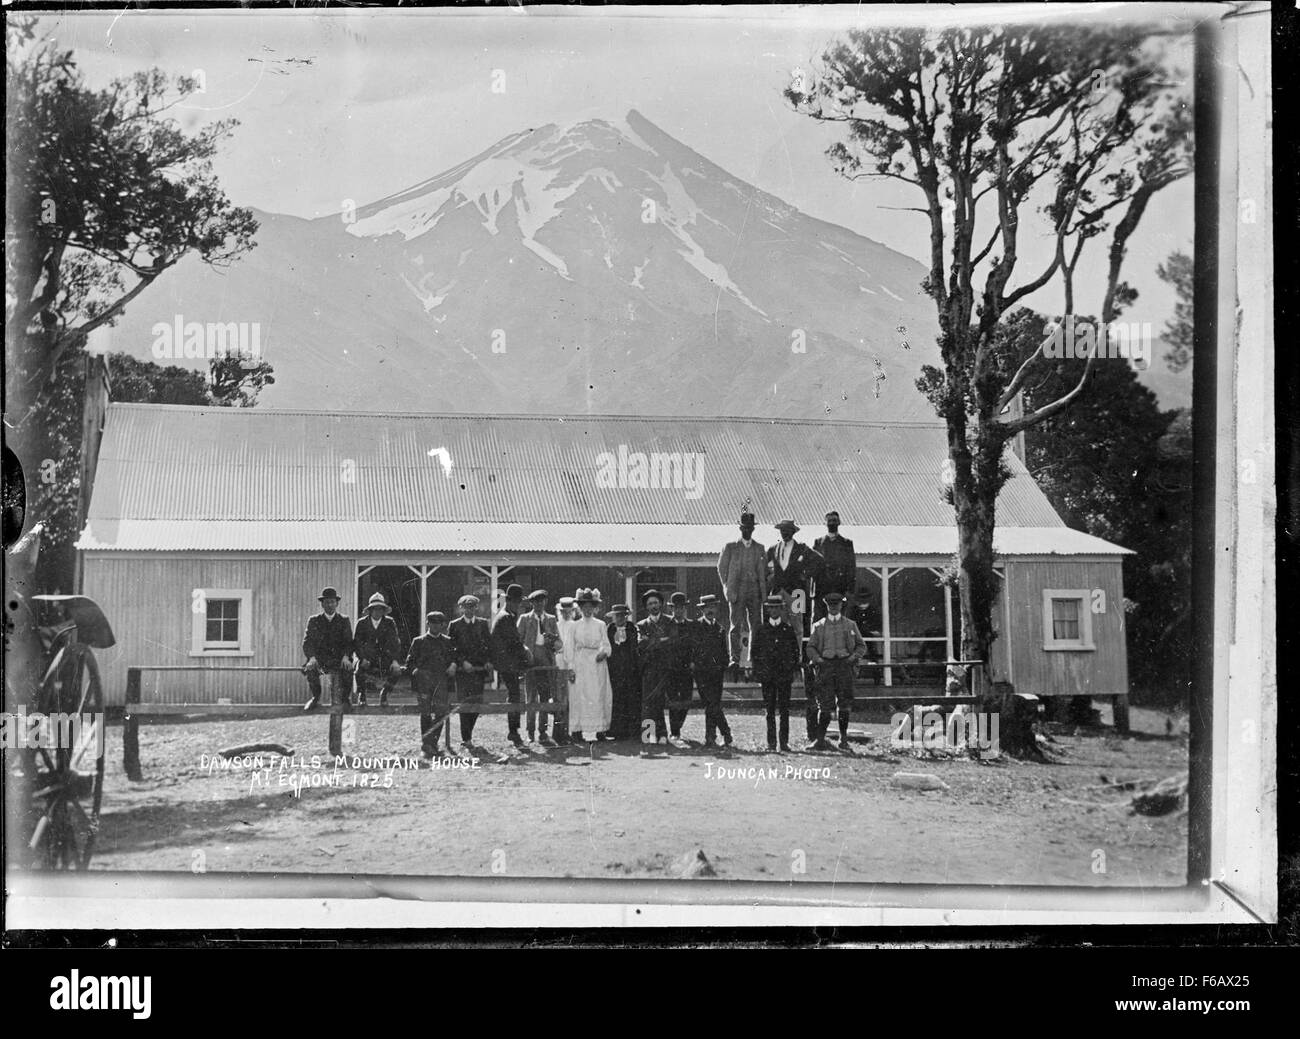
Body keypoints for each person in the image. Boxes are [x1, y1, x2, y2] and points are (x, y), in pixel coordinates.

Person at [806, 592, 866, 752]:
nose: (833, 607)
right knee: (825, 705)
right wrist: (818, 659)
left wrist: (853, 657)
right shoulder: (819, 626)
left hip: (844, 666)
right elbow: (810, 647)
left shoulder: (850, 625)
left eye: (836, 604)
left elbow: (861, 646)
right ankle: (820, 740)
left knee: (844, 704)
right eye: (830, 605)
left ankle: (843, 739)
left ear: (841, 605)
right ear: (826, 606)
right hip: (826, 667)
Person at [562, 588, 614, 746]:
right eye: (584, 606)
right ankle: (577, 731)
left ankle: (600, 730)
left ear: (595, 608)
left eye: (591, 606)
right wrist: (570, 667)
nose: (588, 609)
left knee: (598, 695)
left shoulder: (601, 624)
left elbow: (607, 646)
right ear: (580, 608)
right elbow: (569, 647)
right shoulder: (574, 626)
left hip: (597, 665)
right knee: (579, 696)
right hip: (580, 663)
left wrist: (603, 653)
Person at [717, 511, 766, 678]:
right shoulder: (731, 547)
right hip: (737, 591)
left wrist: (762, 591)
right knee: (735, 625)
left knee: (756, 625)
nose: (748, 530)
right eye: (745, 527)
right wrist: (727, 588)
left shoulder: (759, 548)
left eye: (750, 528)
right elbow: (721, 568)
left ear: (753, 529)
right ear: (740, 528)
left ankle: (754, 658)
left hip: (754, 590)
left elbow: (764, 571)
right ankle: (734, 659)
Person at [404, 611, 458, 757]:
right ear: (427, 624)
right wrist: (416, 671)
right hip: (424, 683)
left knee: (441, 712)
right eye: (432, 623)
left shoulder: (447, 641)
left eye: (438, 624)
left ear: (443, 625)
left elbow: (454, 658)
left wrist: (453, 664)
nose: (435, 626)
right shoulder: (419, 641)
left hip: (441, 682)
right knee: (426, 713)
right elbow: (409, 663)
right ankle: (427, 745)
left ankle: (431, 743)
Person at [751, 594, 801, 752]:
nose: (773, 611)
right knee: (769, 711)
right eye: (771, 608)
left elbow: (795, 652)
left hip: (784, 677)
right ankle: (771, 744)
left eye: (776, 607)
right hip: (768, 677)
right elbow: (755, 654)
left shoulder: (788, 629)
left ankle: (784, 743)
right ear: (767, 609)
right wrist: (759, 673)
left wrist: (790, 670)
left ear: (781, 609)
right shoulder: (761, 630)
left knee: (785, 710)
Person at [765, 520, 823, 644]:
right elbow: (762, 566)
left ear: (793, 532)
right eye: (782, 530)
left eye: (787, 530)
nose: (784, 533)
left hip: (797, 592)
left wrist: (805, 574)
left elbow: (819, 561)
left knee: (797, 626)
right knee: (777, 624)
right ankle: (779, 655)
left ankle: (797, 657)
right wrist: (770, 576)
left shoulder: (802, 548)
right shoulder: (773, 549)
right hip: (777, 592)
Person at [516, 590, 562, 746]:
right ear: (531, 603)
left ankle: (542, 732)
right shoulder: (524, 619)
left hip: (546, 662)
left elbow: (559, 644)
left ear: (545, 603)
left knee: (544, 697)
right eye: (536, 602)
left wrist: (553, 641)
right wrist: (524, 653)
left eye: (542, 602)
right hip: (530, 663)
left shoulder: (551, 619)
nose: (539, 605)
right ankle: (530, 732)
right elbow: (517, 641)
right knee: (531, 698)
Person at [448, 594, 492, 751]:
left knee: (477, 704)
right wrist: (462, 662)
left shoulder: (482, 624)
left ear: (476, 608)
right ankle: (466, 738)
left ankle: (468, 734)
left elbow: (488, 645)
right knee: (464, 703)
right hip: (462, 672)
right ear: (462, 608)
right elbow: (451, 648)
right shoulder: (454, 625)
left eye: (472, 607)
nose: (470, 610)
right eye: (467, 607)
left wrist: (487, 661)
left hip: (478, 672)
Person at [635, 589, 676, 754]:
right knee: (648, 703)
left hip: (665, 669)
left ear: (661, 604)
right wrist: (660, 641)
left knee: (659, 703)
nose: (653, 606)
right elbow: (641, 645)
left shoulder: (670, 622)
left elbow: (673, 642)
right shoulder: (642, 625)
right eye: (650, 603)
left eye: (656, 602)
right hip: (649, 669)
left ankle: (662, 735)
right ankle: (648, 737)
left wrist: (652, 641)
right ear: (646, 607)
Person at [491, 584, 532, 746]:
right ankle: (513, 732)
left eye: (518, 602)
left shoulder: (508, 615)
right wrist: (527, 653)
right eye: (514, 601)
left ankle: (514, 731)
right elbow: (515, 643)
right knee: (514, 696)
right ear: (508, 601)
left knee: (514, 695)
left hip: (508, 663)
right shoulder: (506, 617)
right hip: (506, 664)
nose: (516, 604)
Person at [302, 587, 355, 711]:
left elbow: (349, 642)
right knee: (310, 669)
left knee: (348, 669)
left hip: (339, 659)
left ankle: (345, 699)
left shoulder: (343, 620)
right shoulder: (314, 620)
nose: (330, 605)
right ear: (322, 604)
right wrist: (312, 658)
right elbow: (307, 641)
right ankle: (315, 697)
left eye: (332, 602)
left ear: (337, 603)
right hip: (321, 660)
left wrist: (346, 656)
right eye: (327, 602)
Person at [691, 594, 732, 749]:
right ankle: (724, 733)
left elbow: (724, 652)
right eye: (707, 607)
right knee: (710, 704)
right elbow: (693, 649)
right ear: (702, 610)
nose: (710, 610)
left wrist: (723, 665)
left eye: (713, 607)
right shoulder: (696, 627)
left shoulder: (720, 629)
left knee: (713, 704)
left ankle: (712, 737)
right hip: (702, 673)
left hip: (716, 674)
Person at [353, 592, 403, 708]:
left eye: (380, 609)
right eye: (374, 609)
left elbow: (395, 643)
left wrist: (395, 660)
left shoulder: (389, 622)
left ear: (384, 610)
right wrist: (362, 658)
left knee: (397, 671)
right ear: (370, 610)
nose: (377, 612)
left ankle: (384, 693)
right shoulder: (362, 623)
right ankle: (362, 696)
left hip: (384, 658)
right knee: (359, 670)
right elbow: (357, 643)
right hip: (366, 658)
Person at [812, 511, 857, 626]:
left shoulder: (846, 543)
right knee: (820, 622)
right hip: (822, 590)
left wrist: (849, 590)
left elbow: (851, 568)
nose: (832, 523)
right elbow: (813, 567)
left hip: (840, 589)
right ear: (825, 523)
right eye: (830, 521)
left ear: (839, 522)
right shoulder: (818, 543)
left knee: (841, 621)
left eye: (834, 521)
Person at [605, 603, 640, 739]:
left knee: (630, 699)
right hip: (614, 670)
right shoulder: (609, 629)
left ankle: (631, 731)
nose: (619, 618)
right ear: (613, 617)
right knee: (616, 699)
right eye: (617, 615)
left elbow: (635, 647)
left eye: (622, 615)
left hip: (629, 669)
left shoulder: (631, 628)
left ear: (626, 616)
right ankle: (616, 731)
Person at [665, 591, 695, 745]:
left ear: (685, 609)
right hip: (671, 668)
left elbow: (695, 646)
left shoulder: (691, 625)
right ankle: (675, 731)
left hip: (686, 668)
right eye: (676, 608)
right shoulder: (667, 625)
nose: (679, 610)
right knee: (673, 701)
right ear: (672, 609)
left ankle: (678, 725)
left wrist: (693, 661)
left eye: (681, 608)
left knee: (685, 700)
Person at [552, 596, 578, 745]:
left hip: (570, 664)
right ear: (559, 612)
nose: (566, 614)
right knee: (558, 699)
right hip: (557, 663)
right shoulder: (555, 625)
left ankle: (567, 731)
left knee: (569, 700)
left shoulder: (574, 625)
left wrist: (572, 668)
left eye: (569, 611)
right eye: (563, 611)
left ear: (573, 611)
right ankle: (557, 733)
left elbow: (572, 648)